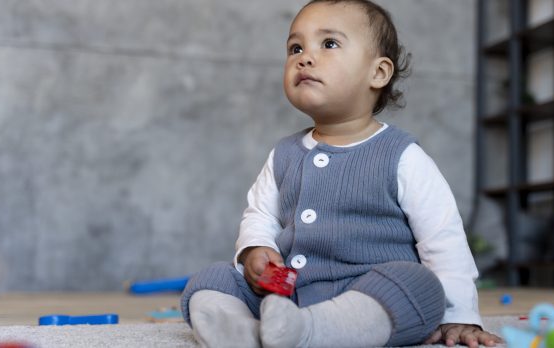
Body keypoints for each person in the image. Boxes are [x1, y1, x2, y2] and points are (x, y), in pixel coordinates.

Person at [181, 1, 502, 347]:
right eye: (295, 48)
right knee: (213, 279)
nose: (304, 57)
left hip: (369, 296)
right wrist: (255, 249)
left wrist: (461, 316)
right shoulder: (284, 154)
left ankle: (315, 331)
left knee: (418, 285)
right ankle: (242, 333)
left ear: (378, 73)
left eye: (329, 44)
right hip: (287, 294)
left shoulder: (403, 156)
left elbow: (444, 240)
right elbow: (260, 214)